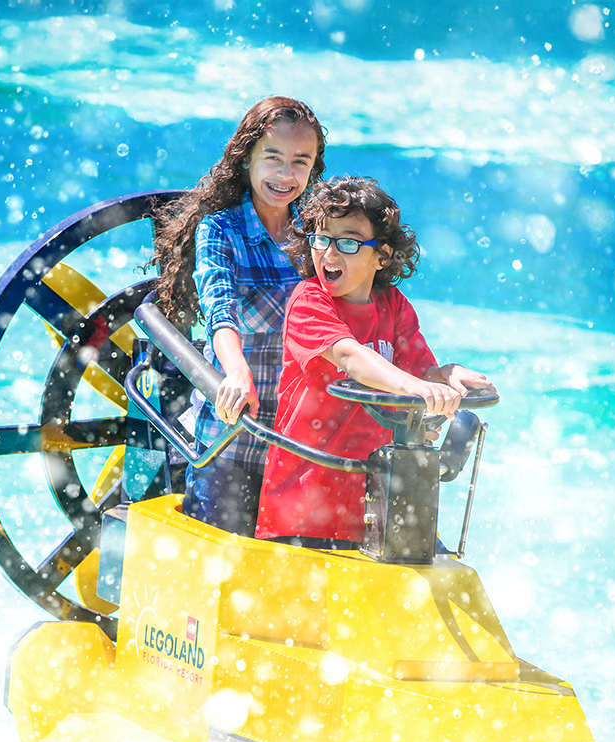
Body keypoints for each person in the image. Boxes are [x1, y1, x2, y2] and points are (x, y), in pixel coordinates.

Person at [255, 176, 494, 549]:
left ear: (381, 256)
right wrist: (412, 385)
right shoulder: (309, 301)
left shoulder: (393, 306)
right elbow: (350, 356)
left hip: (375, 508)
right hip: (302, 513)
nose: (329, 254)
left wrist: (447, 375)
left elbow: (421, 373)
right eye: (322, 239)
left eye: (348, 243)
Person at [149, 96, 327, 536]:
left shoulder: (320, 233)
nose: (286, 175)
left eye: (300, 162)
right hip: (232, 438)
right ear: (246, 157)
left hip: (301, 447)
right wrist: (235, 371)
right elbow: (219, 309)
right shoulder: (221, 229)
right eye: (273, 158)